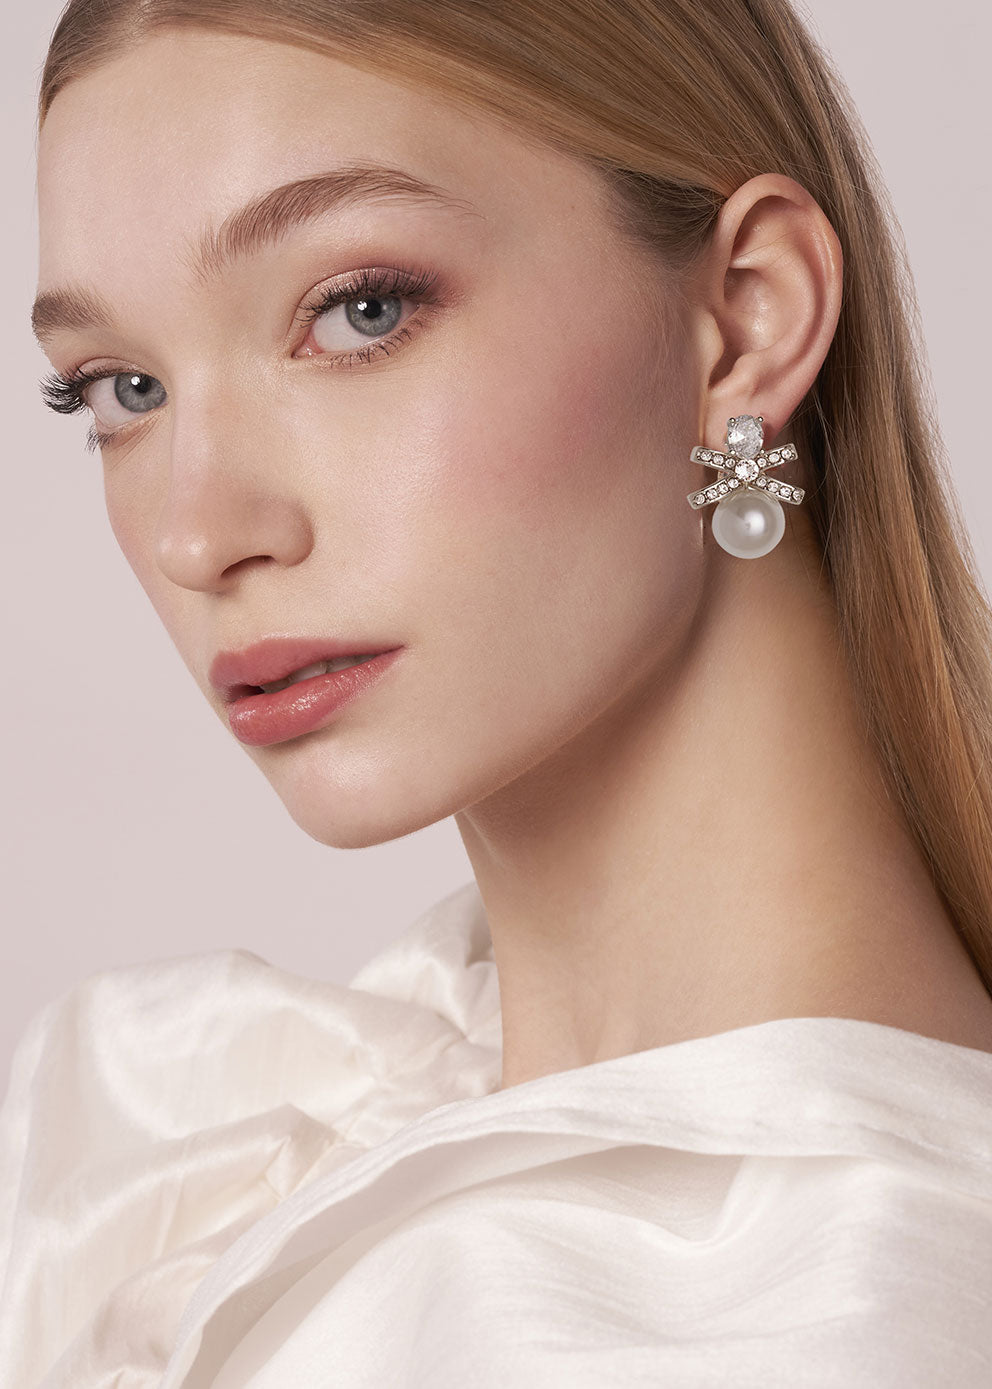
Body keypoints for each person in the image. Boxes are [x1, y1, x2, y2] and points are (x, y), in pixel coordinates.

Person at [3, 0, 992, 1383]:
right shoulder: (222, 1133)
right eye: (121, 387)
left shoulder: (845, 1312)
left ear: (750, 322)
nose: (197, 531)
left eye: (359, 310)